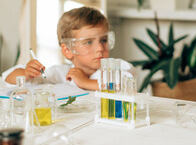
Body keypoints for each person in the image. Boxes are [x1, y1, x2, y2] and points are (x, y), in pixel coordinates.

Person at [2, 6, 133, 91]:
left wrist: (85, 82)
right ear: (67, 50)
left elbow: (125, 84)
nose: (100, 47)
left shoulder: (116, 68)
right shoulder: (60, 73)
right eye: (88, 42)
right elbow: (7, 79)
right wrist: (26, 73)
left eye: (103, 40)